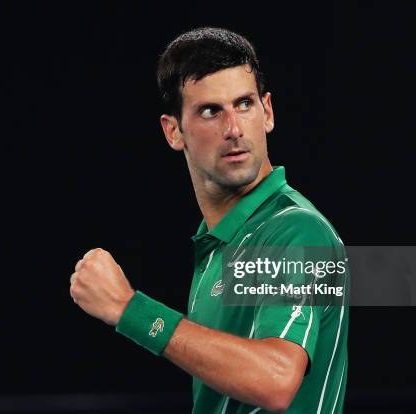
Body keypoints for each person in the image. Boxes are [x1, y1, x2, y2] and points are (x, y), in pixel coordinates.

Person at [69, 27, 348, 413]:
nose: (233, 129)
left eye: (244, 104)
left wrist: (128, 308)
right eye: (210, 111)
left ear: (267, 112)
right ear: (173, 131)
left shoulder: (295, 229)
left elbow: (275, 379)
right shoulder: (220, 246)